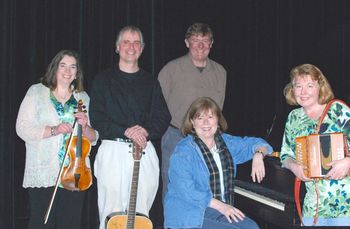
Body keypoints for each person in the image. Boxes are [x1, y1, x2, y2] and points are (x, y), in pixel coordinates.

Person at [89, 25, 171, 229]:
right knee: (110, 214)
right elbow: (97, 118)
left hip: (144, 151)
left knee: (141, 215)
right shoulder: (102, 80)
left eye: (136, 42)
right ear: (117, 47)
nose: (131, 46)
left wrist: (144, 131)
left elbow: (163, 116)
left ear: (142, 48)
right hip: (112, 153)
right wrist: (125, 130)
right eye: (126, 41)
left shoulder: (151, 82)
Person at [16, 49, 98, 229]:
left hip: (75, 172)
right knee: (40, 223)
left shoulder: (83, 98)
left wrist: (85, 127)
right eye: (63, 65)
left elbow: (94, 137)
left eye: (72, 67)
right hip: (44, 170)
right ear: (54, 68)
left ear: (77, 73)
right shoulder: (36, 92)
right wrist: (54, 130)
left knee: (70, 224)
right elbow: (22, 128)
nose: (67, 71)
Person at [164, 97, 273, 229]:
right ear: (192, 122)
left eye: (210, 117)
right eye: (200, 118)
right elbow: (187, 190)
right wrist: (222, 207)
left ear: (217, 120)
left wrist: (258, 155)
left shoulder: (226, 143)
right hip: (190, 212)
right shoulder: (183, 151)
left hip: (217, 209)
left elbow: (258, 143)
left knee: (252, 227)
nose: (206, 123)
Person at [158, 22, 227, 197]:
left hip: (207, 140)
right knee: (173, 188)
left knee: (206, 190)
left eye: (205, 40)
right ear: (187, 43)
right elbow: (157, 107)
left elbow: (218, 110)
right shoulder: (171, 69)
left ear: (211, 44)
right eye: (195, 40)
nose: (200, 45)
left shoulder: (220, 72)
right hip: (175, 137)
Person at [280, 64, 350, 226]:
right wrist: (294, 167)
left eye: (310, 85)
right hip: (314, 206)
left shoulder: (337, 110)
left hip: (345, 203)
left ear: (321, 87)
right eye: (298, 86)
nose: (303, 92)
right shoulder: (294, 117)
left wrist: (348, 162)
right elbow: (285, 155)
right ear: (292, 90)